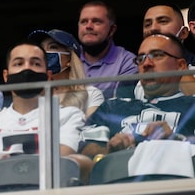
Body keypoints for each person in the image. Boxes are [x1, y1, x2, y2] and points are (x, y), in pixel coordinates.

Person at [0, 41, 91, 182]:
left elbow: (63, 160)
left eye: (36, 64)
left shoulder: (69, 115)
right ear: (6, 76)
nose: (27, 69)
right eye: (19, 64)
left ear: (48, 76)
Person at [80, 33, 195, 161]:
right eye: (140, 59)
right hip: (120, 176)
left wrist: (176, 140)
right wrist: (110, 149)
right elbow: (84, 152)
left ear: (180, 66)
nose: (146, 64)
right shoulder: (111, 106)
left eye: (157, 55)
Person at [28, 29, 105, 117]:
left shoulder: (92, 94)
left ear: (70, 59)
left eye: (52, 47)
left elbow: (91, 128)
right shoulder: (31, 96)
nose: (44, 53)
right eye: (41, 48)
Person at [76, 0, 138, 99]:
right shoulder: (68, 57)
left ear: (112, 30)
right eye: (84, 22)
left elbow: (120, 105)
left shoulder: (127, 62)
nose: (88, 26)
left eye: (96, 21)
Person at [135, 3, 195, 97]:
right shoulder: (137, 74)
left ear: (183, 33)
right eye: (147, 24)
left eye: (163, 21)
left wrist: (177, 67)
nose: (153, 28)